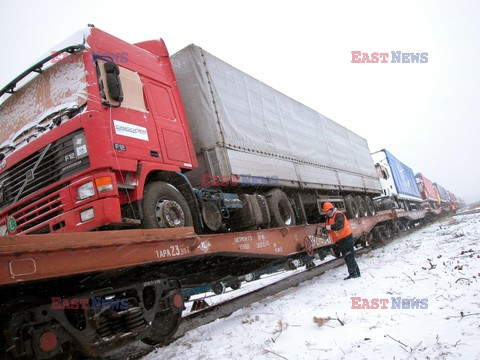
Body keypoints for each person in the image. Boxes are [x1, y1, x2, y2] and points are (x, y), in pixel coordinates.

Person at [323, 202, 361, 280]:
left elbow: (339, 225)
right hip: (340, 240)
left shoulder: (338, 215)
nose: (325, 212)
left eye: (326, 211)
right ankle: (356, 273)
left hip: (346, 238)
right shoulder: (329, 218)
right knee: (348, 257)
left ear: (330, 210)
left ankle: (354, 274)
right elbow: (330, 228)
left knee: (349, 257)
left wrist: (328, 228)